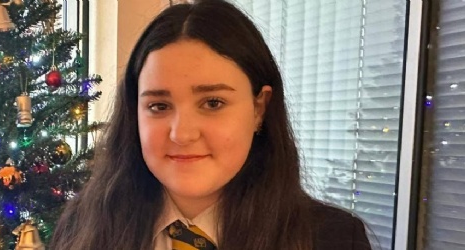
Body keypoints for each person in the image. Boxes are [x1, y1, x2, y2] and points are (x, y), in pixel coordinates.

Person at [50, 0, 373, 249]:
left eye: (213, 103)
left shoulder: (333, 239)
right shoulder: (82, 227)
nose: (183, 133)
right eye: (159, 106)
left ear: (259, 108)